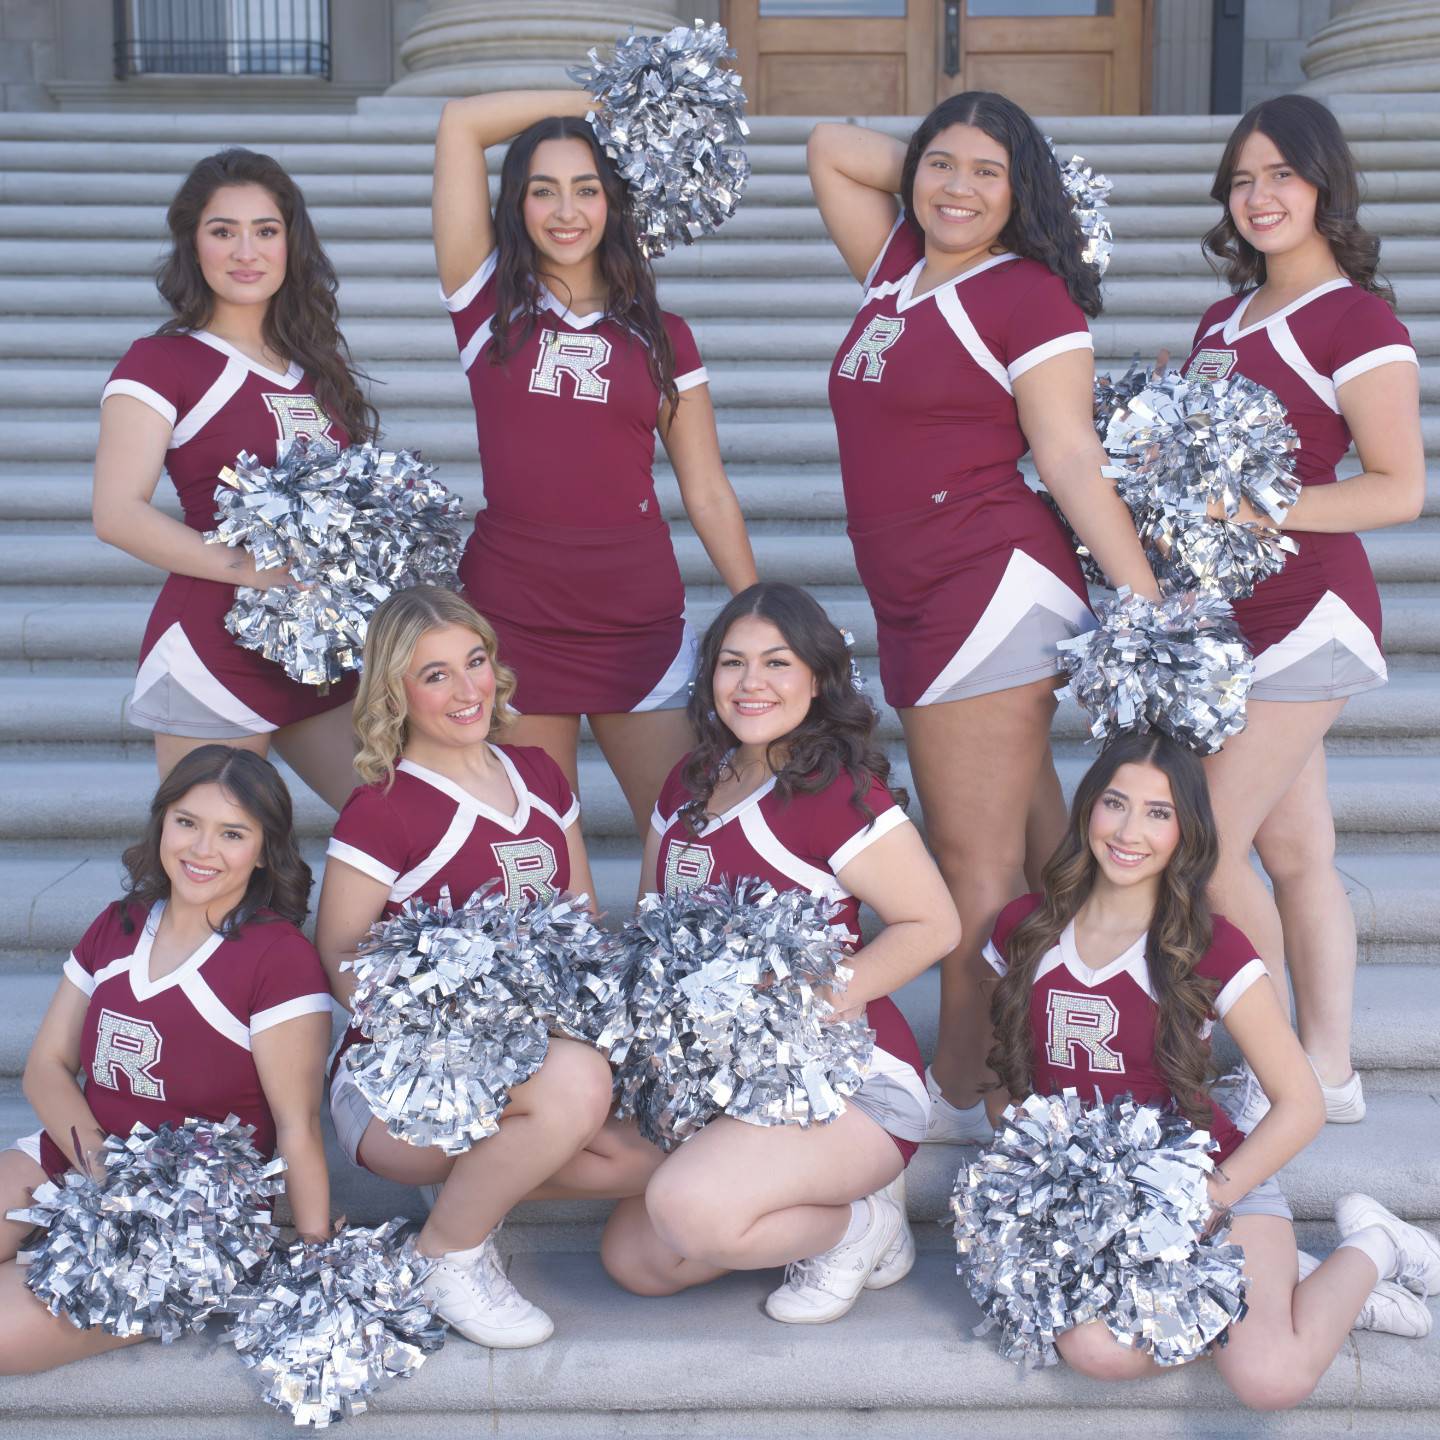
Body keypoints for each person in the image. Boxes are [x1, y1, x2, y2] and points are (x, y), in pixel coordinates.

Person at [806, 94, 1161, 1146]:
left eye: (988, 174)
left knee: (969, 869)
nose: (957, 187)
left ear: (1025, 195)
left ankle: (965, 1089)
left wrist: (1143, 598)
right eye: (940, 166)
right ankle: (1081, 1027)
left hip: (989, 587)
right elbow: (829, 143)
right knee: (1047, 849)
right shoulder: (897, 269)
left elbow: (1065, 456)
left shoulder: (1030, 295)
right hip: (914, 594)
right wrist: (950, 169)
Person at [982, 732, 1439, 1405]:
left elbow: (1301, 1102)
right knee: (1095, 1351)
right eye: (1115, 803)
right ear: (1087, 811)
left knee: (1269, 1379)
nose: (1130, 830)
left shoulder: (1207, 945)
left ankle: (1376, 1252)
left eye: (1159, 813)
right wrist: (1039, 1178)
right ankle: (1286, 1294)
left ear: (1185, 833)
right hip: (1095, 1204)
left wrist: (1207, 1202)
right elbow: (1003, 1086)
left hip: (1210, 1187)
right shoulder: (1024, 929)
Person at [600, 582, 961, 1323]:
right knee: (637, 1261)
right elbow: (649, 926)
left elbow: (932, 925)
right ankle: (809, 1203)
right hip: (724, 1086)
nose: (751, 683)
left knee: (688, 1210)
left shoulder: (836, 791)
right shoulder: (687, 783)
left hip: (842, 1081)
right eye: (732, 663)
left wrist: (794, 1012)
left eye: (777, 663)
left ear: (819, 678)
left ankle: (858, 1227)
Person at [1182, 96, 1424, 1131]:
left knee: (1204, 847)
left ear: (1324, 182)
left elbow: (1397, 487)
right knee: (1295, 854)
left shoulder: (1356, 320)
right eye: (1243, 179)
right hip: (1227, 623)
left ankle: (1271, 1059)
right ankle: (1329, 1066)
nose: (1261, 196)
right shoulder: (1219, 319)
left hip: (1312, 613)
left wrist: (1258, 508)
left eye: (1282, 174)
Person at [430, 90, 758, 836]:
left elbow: (705, 490)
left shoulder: (663, 334)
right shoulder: (486, 306)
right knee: (535, 851)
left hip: (636, 620)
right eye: (542, 191)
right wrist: (614, 101)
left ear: (615, 201)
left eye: (587, 189)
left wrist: (757, 607)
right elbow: (461, 123)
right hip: (512, 618)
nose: (566, 210)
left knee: (693, 838)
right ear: (514, 206)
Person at [314, 585, 616, 1350]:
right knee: (577, 1088)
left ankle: (472, 1187)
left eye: (474, 661)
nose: (466, 688)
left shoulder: (540, 776)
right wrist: (445, 1041)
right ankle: (445, 1256)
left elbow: (582, 922)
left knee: (657, 1156)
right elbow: (341, 953)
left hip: (532, 1057)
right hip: (405, 1080)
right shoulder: (383, 807)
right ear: (396, 692)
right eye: (435, 674)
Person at [0, 746, 333, 1374]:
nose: (202, 849)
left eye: (232, 833)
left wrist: (314, 1261)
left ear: (264, 850)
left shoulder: (277, 958)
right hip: (81, 1156)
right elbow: (45, 1064)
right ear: (162, 824)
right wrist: (103, 1171)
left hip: (187, 1216)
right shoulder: (120, 923)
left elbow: (297, 1127)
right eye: (187, 822)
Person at [92, 148, 374, 809]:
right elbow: (117, 513)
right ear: (194, 244)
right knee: (218, 869)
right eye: (223, 231)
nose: (246, 251)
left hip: (319, 652)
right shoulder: (161, 362)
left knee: (399, 826)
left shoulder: (316, 367)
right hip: (210, 654)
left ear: (290, 242)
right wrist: (256, 570)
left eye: (265, 231)